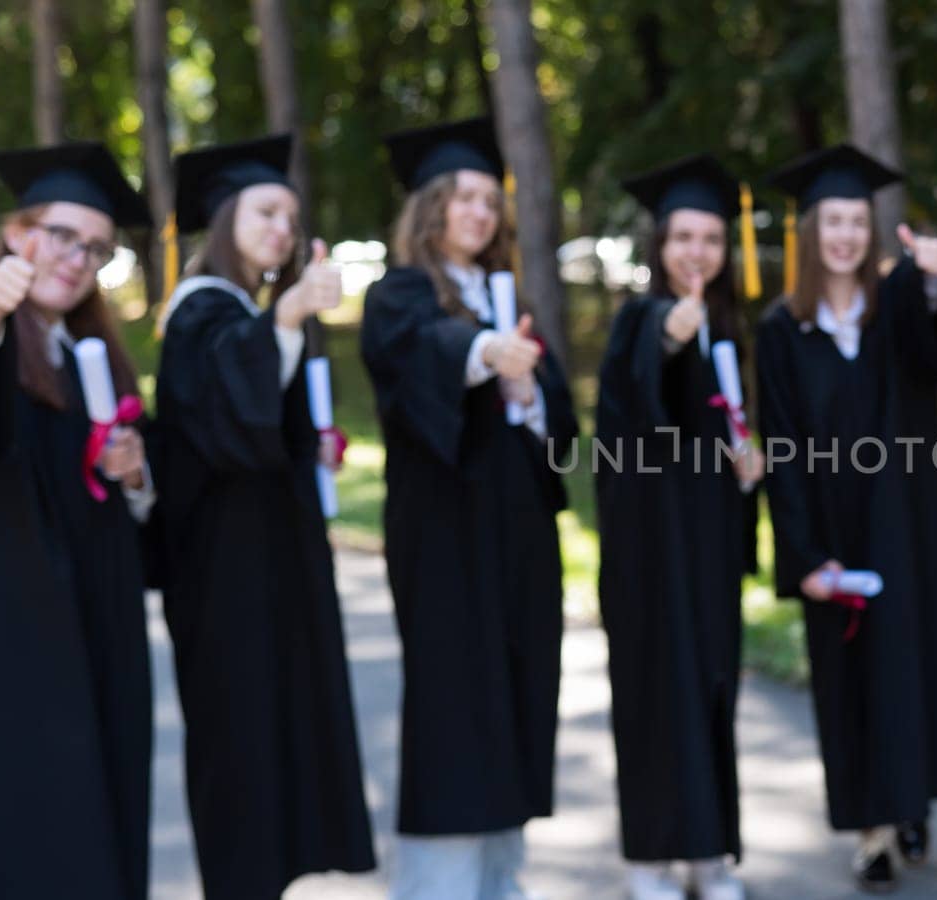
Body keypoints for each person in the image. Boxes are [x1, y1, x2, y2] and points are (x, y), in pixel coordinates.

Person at [360, 117, 578, 900]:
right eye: (464, 198)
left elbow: (559, 417)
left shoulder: (507, 292)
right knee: (457, 707)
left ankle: (500, 879)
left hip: (519, 531)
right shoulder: (401, 291)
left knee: (518, 694)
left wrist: (528, 393)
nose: (481, 213)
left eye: (491, 200)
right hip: (444, 533)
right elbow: (411, 354)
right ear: (431, 208)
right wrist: (486, 353)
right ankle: (436, 886)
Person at [155, 134, 375, 900]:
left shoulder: (237, 311)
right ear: (223, 221)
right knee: (242, 754)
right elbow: (226, 414)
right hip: (224, 585)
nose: (282, 228)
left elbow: (252, 423)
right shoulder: (198, 312)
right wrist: (284, 317)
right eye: (265, 211)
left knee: (274, 746)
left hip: (263, 574)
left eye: (289, 215)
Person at [758, 144, 937, 893]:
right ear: (811, 232)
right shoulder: (783, 330)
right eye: (832, 221)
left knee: (912, 663)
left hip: (906, 520)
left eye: (857, 220)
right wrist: (804, 553)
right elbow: (780, 448)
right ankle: (872, 830)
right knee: (849, 675)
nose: (846, 234)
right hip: (833, 530)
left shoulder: (900, 304)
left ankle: (911, 803)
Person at [0, 142, 154, 899]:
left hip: (97, 620)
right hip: (12, 633)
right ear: (18, 233)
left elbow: (131, 501)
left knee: (104, 801)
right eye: (61, 235)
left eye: (96, 248)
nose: (77, 259)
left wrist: (135, 474)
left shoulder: (92, 350)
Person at [595, 153, 766, 900]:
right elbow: (637, 396)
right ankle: (648, 859)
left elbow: (727, 426)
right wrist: (669, 335)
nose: (696, 252)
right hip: (648, 549)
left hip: (708, 543)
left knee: (710, 687)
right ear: (658, 245)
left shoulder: (729, 330)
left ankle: (706, 853)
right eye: (682, 237)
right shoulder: (641, 318)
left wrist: (750, 459)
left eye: (710, 239)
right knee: (653, 692)